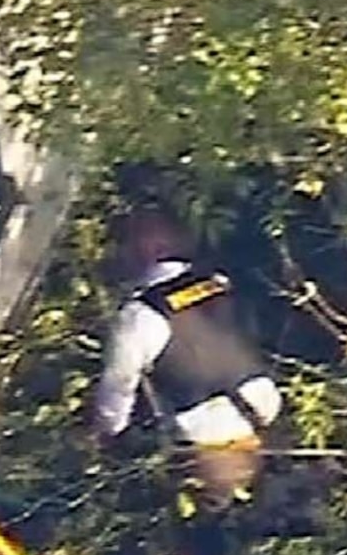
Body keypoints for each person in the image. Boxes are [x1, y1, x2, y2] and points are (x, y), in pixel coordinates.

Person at [86, 206, 283, 498]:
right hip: (265, 415)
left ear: (142, 249)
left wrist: (108, 435)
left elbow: (118, 385)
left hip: (209, 438)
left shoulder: (141, 314)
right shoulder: (220, 283)